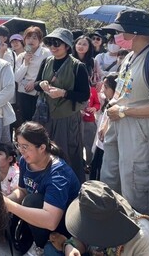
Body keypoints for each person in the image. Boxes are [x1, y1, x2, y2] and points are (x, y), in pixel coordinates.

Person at [101, 7, 149, 219]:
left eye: (120, 31)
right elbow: (121, 92)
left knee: (136, 192)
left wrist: (124, 111)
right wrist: (109, 119)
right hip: (119, 125)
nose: (117, 36)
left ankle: (141, 246)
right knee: (112, 183)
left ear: (134, 33)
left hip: (141, 133)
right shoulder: (131, 56)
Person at [4, 122, 81, 255]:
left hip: (66, 223)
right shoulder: (25, 161)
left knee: (31, 201)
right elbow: (22, 190)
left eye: (25, 147)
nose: (21, 151)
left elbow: (51, 221)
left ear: (42, 148)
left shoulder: (58, 174)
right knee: (28, 200)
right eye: (18, 145)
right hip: (44, 215)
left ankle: (40, 246)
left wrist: (10, 206)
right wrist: (3, 201)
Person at [46, 180, 149, 256]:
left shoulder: (144, 242)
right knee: (50, 250)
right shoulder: (97, 216)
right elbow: (83, 236)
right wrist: (70, 247)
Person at [34, 28, 90, 183]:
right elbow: (36, 84)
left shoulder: (77, 66)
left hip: (67, 119)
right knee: (45, 152)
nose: (53, 46)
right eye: (50, 42)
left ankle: (71, 188)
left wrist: (63, 93)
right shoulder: (46, 61)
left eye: (57, 43)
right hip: (45, 117)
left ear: (67, 45)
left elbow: (84, 95)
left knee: (67, 154)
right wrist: (42, 84)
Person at [16, 26, 51, 122]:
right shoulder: (21, 56)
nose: (31, 40)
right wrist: (26, 63)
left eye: (34, 38)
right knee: (26, 122)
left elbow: (50, 73)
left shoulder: (47, 54)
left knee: (39, 123)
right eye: (28, 38)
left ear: (40, 40)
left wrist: (35, 83)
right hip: (24, 93)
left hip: (40, 93)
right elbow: (17, 78)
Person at [89, 74, 117, 181]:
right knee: (94, 168)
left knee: (100, 173)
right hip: (99, 144)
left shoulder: (116, 108)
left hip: (107, 146)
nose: (103, 90)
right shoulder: (108, 103)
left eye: (106, 87)